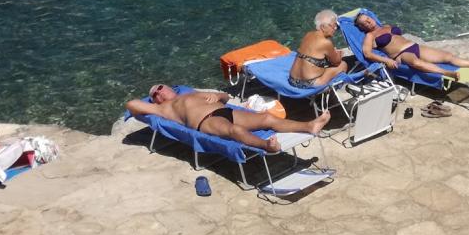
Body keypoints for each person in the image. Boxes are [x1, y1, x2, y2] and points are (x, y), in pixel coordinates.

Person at [127, 86, 329, 153]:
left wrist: (218, 97)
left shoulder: (191, 93)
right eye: (155, 94)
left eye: (161, 88)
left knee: (267, 118)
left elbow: (225, 96)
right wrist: (153, 103)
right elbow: (132, 105)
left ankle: (309, 125)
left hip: (224, 110)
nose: (159, 93)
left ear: (170, 87)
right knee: (235, 132)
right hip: (205, 121)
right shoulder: (162, 108)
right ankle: (267, 145)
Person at [353, 13, 469, 78]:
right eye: (364, 23)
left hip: (414, 46)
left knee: (447, 56)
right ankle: (446, 73)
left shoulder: (385, 26)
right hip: (400, 55)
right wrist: (387, 60)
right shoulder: (369, 36)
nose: (368, 22)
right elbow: (367, 54)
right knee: (415, 62)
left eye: (368, 19)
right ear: (361, 27)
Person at [289, 10, 349, 89]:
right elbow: (336, 63)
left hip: (292, 80)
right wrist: (339, 53)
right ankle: (332, 94)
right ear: (323, 27)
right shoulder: (326, 42)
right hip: (309, 84)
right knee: (343, 65)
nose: (335, 29)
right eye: (334, 26)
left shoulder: (308, 34)